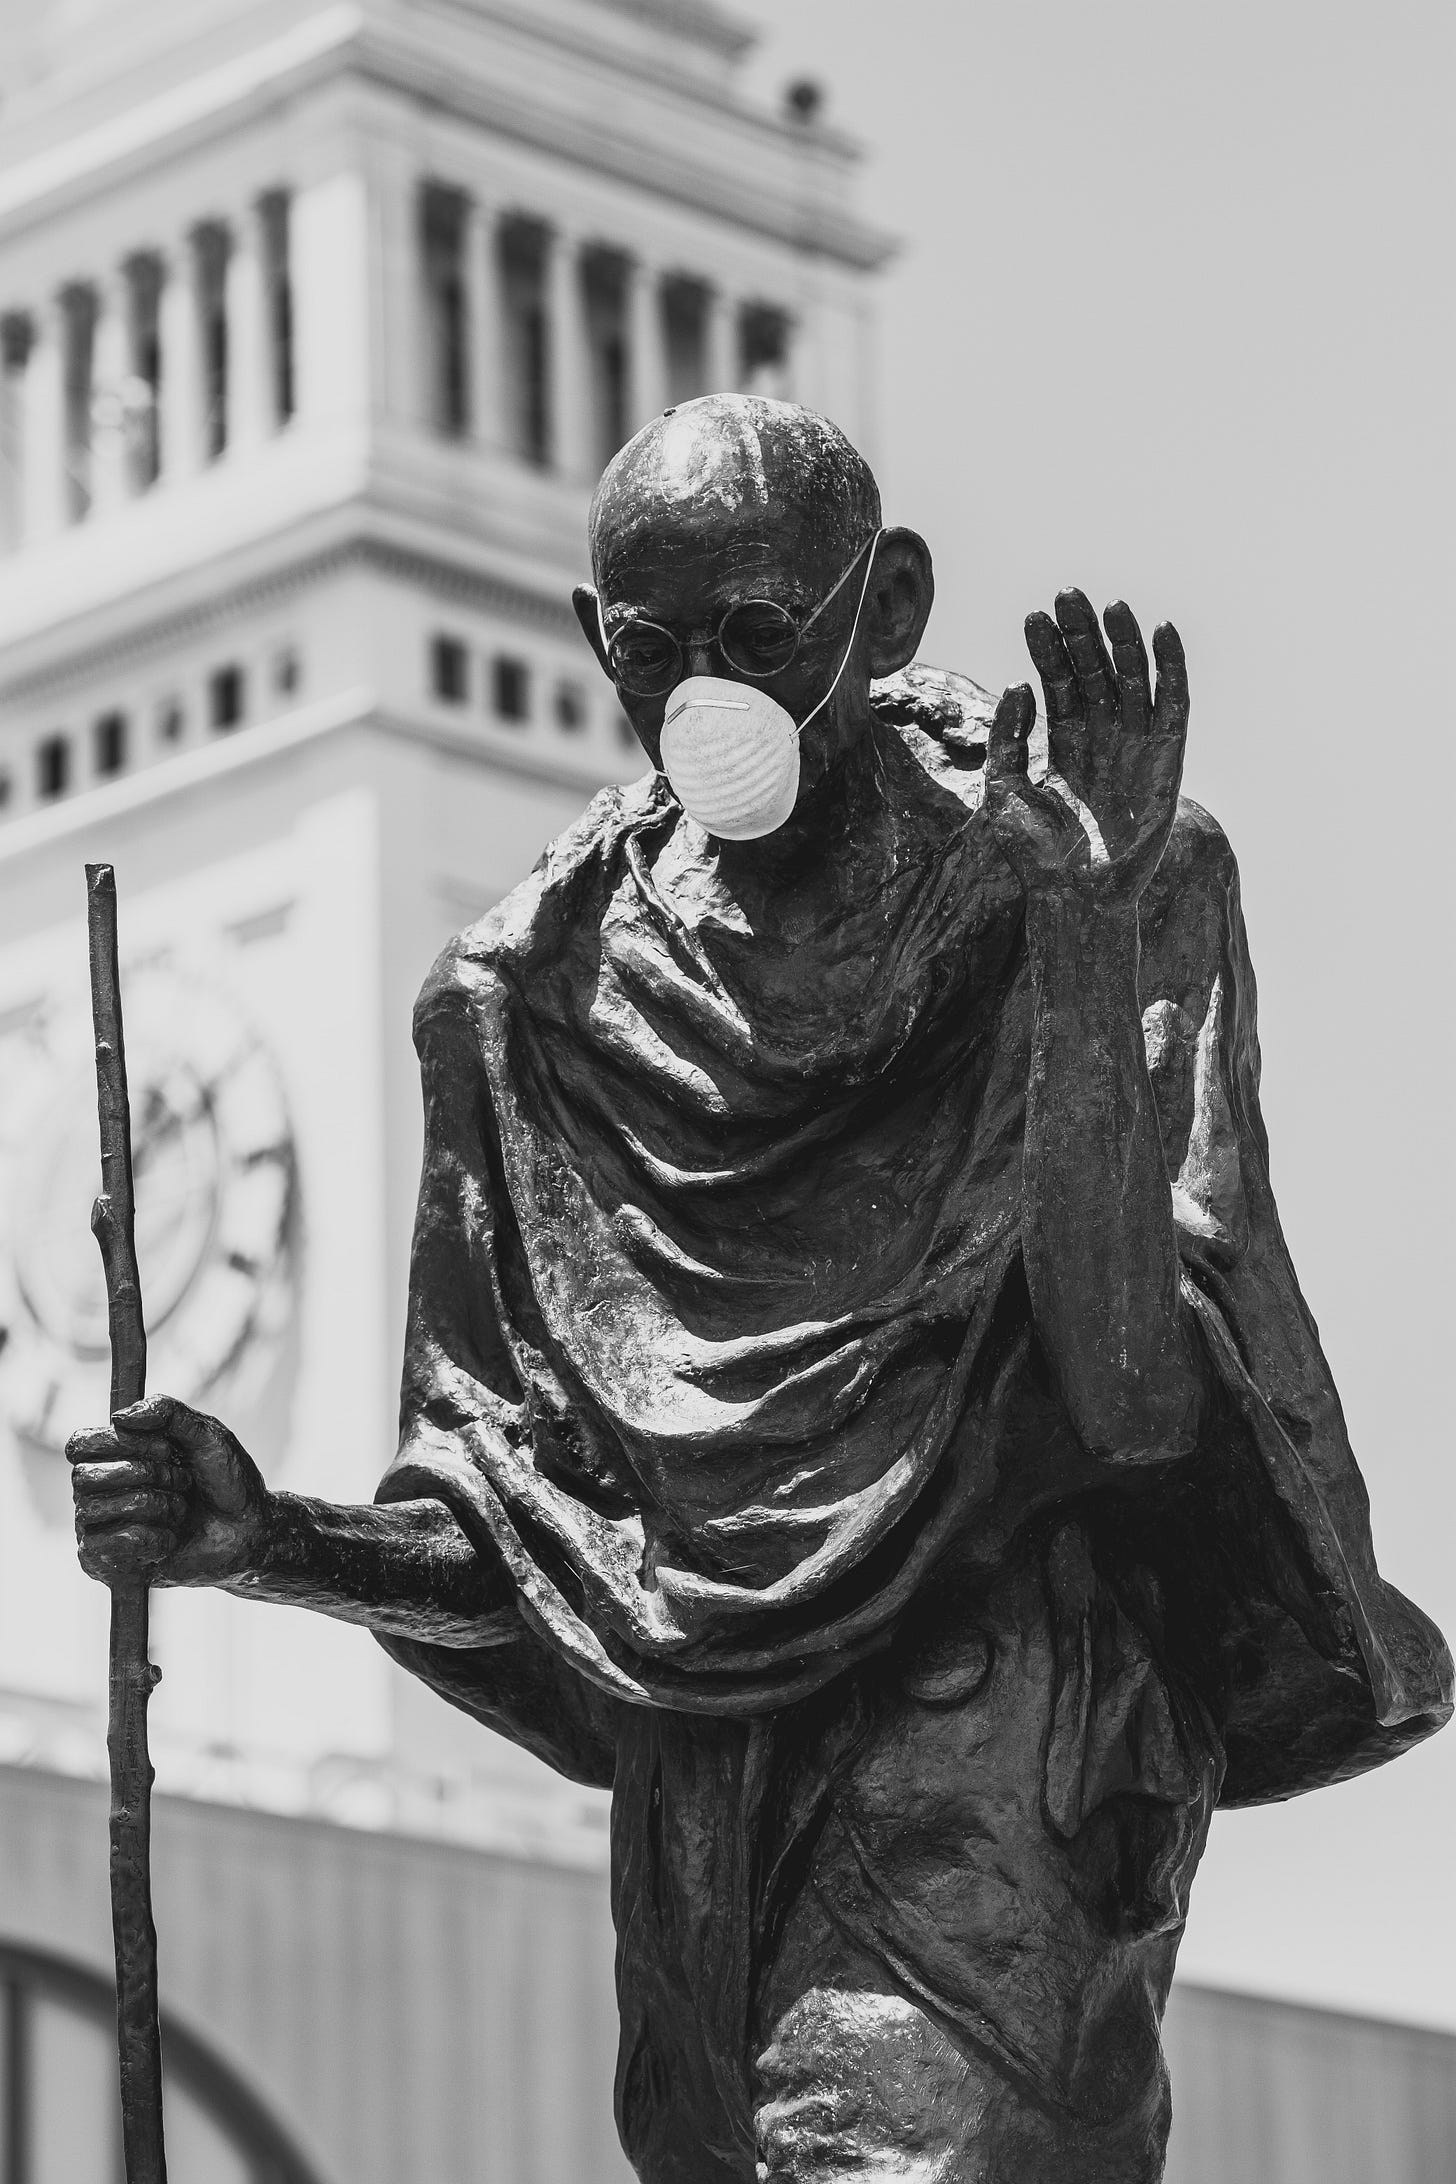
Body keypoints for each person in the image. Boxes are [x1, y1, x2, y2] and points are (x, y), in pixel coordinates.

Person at [70, 396, 1451, 2183]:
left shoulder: (1101, 858)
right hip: (701, 1823)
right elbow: (545, 1552)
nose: (705, 692)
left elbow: (1132, 1395)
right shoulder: (526, 1002)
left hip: (994, 1760)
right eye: (653, 652)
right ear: (594, 641)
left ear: (888, 609)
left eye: (759, 633)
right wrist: (264, 1539)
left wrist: (1082, 937)